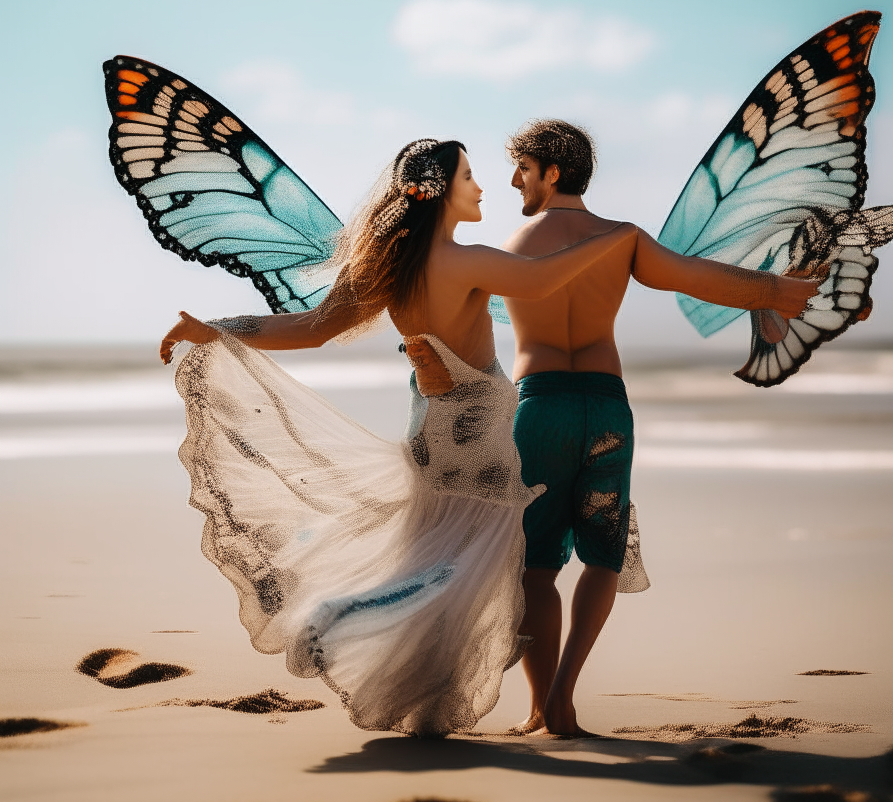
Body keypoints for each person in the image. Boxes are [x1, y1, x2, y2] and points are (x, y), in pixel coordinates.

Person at [160, 138, 637, 738]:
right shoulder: (467, 262)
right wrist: (617, 239)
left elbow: (311, 329)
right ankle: (342, 617)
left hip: (430, 433)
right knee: (464, 570)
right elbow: (541, 282)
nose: (482, 186)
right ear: (440, 191)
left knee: (438, 558)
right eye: (469, 176)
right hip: (479, 439)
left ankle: (412, 683)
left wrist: (218, 329)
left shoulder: (392, 268)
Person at [501, 120, 819, 736]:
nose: (515, 180)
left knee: (534, 564)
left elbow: (451, 303)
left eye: (522, 168)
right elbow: (693, 277)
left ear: (552, 171)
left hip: (539, 409)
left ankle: (541, 708)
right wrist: (775, 292)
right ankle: (565, 696)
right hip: (607, 409)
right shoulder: (620, 238)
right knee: (603, 555)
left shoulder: (513, 247)